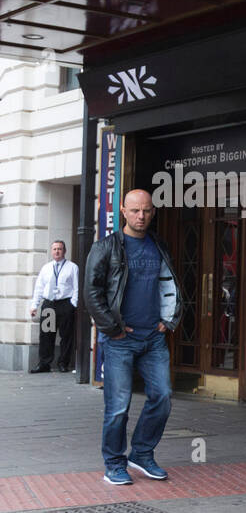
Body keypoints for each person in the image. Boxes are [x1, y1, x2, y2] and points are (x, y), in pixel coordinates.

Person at [84, 189, 181, 486]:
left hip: (153, 338)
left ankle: (141, 453)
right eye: (135, 210)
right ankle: (114, 463)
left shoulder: (159, 245)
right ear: (123, 211)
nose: (141, 216)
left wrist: (169, 319)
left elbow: (171, 284)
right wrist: (112, 328)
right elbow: (91, 292)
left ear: (153, 212)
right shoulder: (105, 248)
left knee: (162, 396)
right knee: (118, 405)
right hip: (120, 340)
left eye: (147, 211)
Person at [29, 240, 79, 373]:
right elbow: (39, 288)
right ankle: (44, 363)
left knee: (66, 335)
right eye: (55, 249)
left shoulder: (72, 267)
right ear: (51, 251)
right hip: (50, 305)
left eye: (60, 249)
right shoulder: (46, 268)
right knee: (47, 335)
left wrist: (73, 304)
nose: (57, 251)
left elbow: (76, 287)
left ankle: (63, 363)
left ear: (64, 251)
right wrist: (34, 305)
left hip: (65, 304)